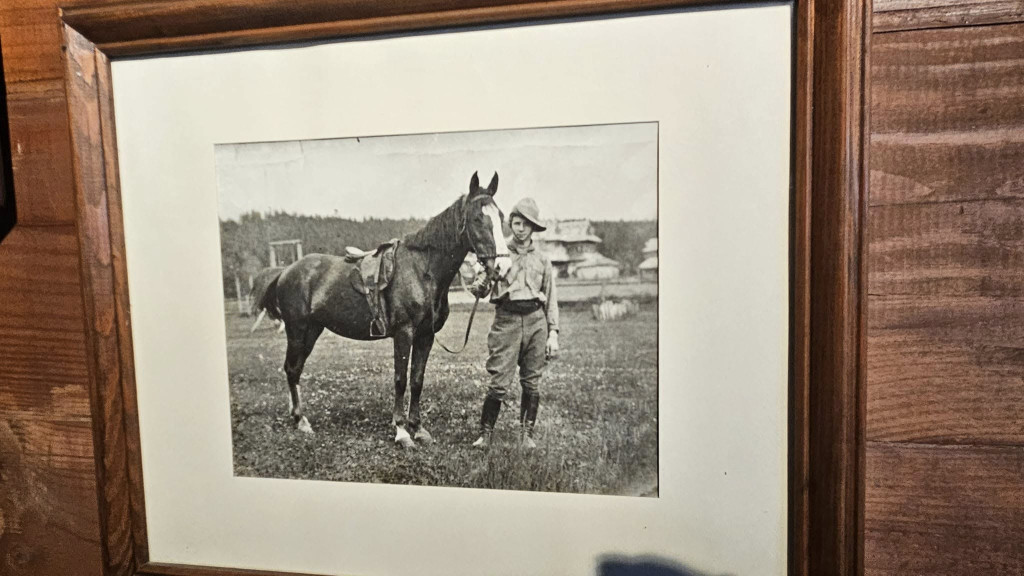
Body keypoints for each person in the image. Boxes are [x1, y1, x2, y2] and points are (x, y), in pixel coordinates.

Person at [471, 197, 560, 449]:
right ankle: (485, 435)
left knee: (531, 381)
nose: (521, 229)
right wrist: (481, 281)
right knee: (499, 381)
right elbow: (481, 290)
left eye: (526, 225)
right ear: (510, 224)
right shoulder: (499, 255)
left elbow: (551, 297)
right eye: (517, 223)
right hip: (506, 321)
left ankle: (526, 435)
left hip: (536, 321)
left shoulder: (542, 259)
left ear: (533, 228)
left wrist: (553, 332)